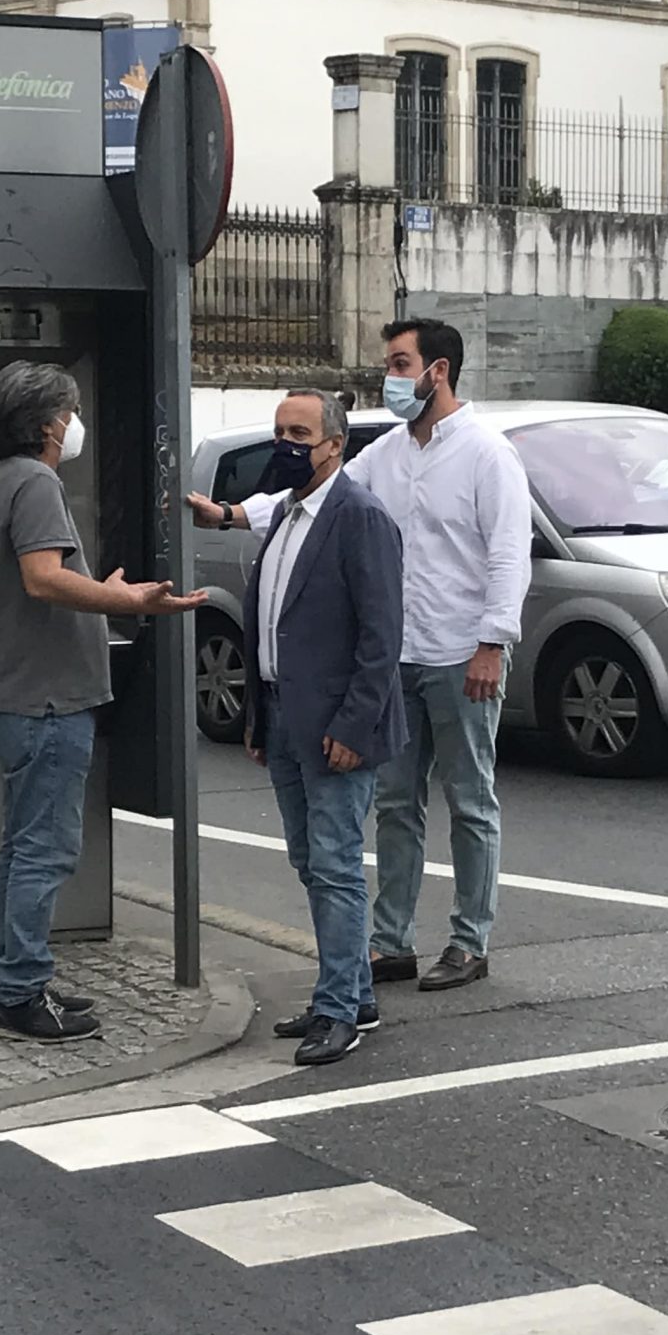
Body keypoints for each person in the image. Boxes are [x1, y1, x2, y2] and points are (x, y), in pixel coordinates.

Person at [194, 317, 529, 994]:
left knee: (470, 799)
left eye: (401, 363)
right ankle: (391, 942)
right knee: (396, 802)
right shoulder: (389, 453)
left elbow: (508, 552)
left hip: (462, 651)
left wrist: (493, 642)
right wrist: (232, 515)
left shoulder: (487, 455)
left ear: (438, 371)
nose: (391, 375)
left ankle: (470, 939)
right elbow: (314, 496)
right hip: (397, 656)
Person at [0, 361, 203, 1042]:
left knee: (22, 847)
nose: (74, 424)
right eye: (68, 413)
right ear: (45, 425)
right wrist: (126, 599)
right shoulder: (37, 482)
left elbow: (45, 579)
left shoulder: (3, 480)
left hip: (14, 693)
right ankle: (20, 992)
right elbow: (44, 579)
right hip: (45, 698)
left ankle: (21, 975)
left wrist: (100, 590)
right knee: (43, 851)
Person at [241, 389, 405, 1067]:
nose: (287, 442)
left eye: (300, 432)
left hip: (337, 724)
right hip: (282, 715)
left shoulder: (360, 517)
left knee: (335, 865)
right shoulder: (284, 514)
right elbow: (269, 621)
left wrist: (355, 724)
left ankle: (339, 1008)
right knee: (310, 861)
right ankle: (351, 989)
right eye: (280, 430)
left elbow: (381, 634)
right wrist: (256, 713)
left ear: (334, 444)